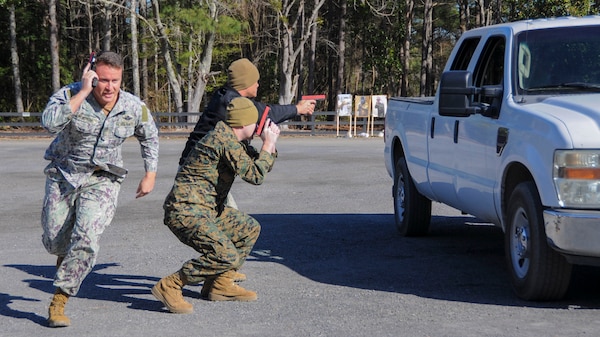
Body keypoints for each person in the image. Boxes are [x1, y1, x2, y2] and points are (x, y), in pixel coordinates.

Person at [40, 51, 159, 327]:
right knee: (54, 240)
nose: (109, 87)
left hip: (103, 178)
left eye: (115, 80)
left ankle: (59, 300)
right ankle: (64, 255)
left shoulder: (132, 106)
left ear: (121, 78)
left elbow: (149, 135)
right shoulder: (71, 94)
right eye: (103, 80)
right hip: (64, 175)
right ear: (91, 75)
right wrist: (82, 92)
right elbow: (49, 123)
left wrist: (150, 174)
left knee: (88, 237)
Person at [152, 97, 279, 314]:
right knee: (225, 254)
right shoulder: (223, 140)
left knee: (248, 229)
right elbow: (255, 176)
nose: (258, 126)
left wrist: (270, 145)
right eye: (255, 123)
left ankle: (220, 285)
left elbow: (260, 165)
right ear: (242, 123)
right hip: (186, 211)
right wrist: (267, 144)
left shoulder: (232, 140)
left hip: (207, 209)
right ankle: (171, 285)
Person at [178, 57, 314, 167]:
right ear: (245, 83)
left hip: (198, 164)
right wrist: (298, 109)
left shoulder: (224, 95)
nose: (258, 85)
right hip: (197, 170)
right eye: (255, 81)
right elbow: (267, 113)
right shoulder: (232, 102)